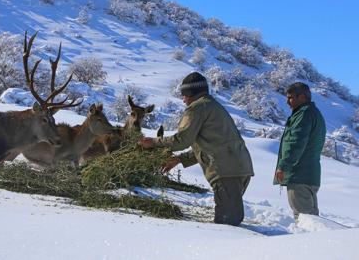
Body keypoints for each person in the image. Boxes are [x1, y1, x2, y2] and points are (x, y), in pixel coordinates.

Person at [139, 72, 254, 226]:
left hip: (225, 170)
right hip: (239, 167)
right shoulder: (213, 106)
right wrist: (179, 159)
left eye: (184, 95)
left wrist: (153, 142)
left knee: (227, 226)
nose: (183, 99)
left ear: (190, 93)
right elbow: (212, 145)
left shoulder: (196, 108)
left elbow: (182, 140)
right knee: (229, 219)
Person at [274, 82, 326, 219]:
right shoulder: (313, 113)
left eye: (290, 97)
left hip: (299, 176)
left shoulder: (304, 115)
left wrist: (283, 166)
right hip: (309, 175)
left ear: (302, 97)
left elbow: (295, 143)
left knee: (305, 220)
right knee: (312, 219)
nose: (287, 101)